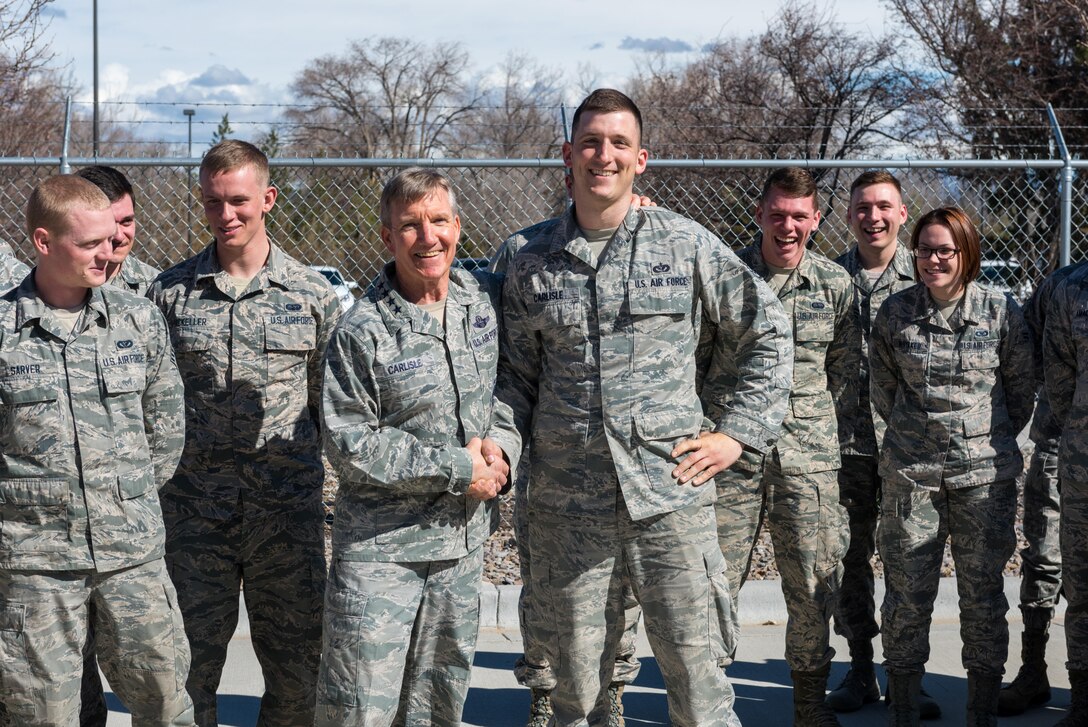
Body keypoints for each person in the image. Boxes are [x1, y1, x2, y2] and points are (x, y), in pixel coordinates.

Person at [497, 88, 794, 727]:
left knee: (697, 677)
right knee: (574, 687)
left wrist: (736, 434)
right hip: (568, 507)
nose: (604, 155)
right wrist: (501, 450)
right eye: (592, 142)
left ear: (642, 159)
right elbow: (516, 380)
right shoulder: (530, 263)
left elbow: (766, 332)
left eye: (619, 143)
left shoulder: (686, 246)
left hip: (670, 495)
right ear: (568, 156)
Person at [147, 140, 342, 727]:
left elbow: (326, 404)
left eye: (238, 201)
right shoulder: (170, 295)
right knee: (183, 673)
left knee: (297, 674)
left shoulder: (312, 295)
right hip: (194, 518)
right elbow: (155, 406)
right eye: (213, 202)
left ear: (268, 199)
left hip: (285, 518)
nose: (226, 215)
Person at [316, 168, 520, 726]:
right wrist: (460, 468)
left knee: (438, 707)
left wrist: (501, 451)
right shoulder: (362, 330)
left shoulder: (481, 304)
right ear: (387, 237)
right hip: (384, 551)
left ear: (457, 226)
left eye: (437, 221)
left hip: (460, 546)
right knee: (359, 707)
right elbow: (351, 443)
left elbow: (505, 391)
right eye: (409, 225)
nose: (426, 237)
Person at [0, 174, 194, 725]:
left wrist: (118, 503)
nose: (110, 254)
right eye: (90, 244)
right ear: (43, 242)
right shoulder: (4, 331)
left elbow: (166, 429)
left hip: (131, 559)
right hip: (35, 570)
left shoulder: (137, 319)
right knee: (43, 714)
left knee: (165, 704)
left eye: (113, 238)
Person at [870, 206, 1034, 726]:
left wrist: (981, 441)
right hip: (911, 478)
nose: (933, 260)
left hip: (983, 478)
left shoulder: (1001, 311)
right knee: (905, 598)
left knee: (982, 598)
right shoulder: (895, 313)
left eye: (945, 250)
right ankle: (902, 708)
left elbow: (1020, 392)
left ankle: (980, 711)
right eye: (923, 250)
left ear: (966, 252)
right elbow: (883, 389)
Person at [713, 167, 854, 726]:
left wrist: (808, 424)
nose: (788, 226)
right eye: (778, 214)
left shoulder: (834, 285)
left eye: (800, 216)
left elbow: (840, 370)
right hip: (732, 455)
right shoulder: (727, 275)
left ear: (816, 220)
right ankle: (709, 699)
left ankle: (809, 706)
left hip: (807, 457)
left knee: (812, 583)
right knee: (714, 583)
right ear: (760, 214)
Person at [826, 171, 940, 719]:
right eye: (862, 207)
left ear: (901, 214)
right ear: (848, 215)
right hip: (841, 446)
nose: (873, 216)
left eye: (884, 207)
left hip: (905, 447)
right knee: (848, 562)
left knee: (905, 562)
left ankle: (906, 676)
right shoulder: (826, 277)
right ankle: (861, 669)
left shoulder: (925, 280)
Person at [73, 163, 165, 727]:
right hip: (51, 535)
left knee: (153, 674)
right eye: (109, 225)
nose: (120, 238)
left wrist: (131, 493)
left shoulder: (153, 293)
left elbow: (164, 418)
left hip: (134, 522)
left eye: (129, 221)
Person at [998, 259, 1086, 715]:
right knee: (1045, 556)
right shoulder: (1064, 284)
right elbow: (1029, 351)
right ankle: (1034, 670)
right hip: (1060, 440)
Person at [1043, 262, 1088, 726]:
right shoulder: (1072, 288)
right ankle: (1084, 697)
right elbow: (1058, 376)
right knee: (1083, 586)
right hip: (1084, 466)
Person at [76, 165, 163, 296]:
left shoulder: (157, 287)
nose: (118, 236)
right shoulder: (50, 287)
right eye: (106, 223)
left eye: (126, 221)